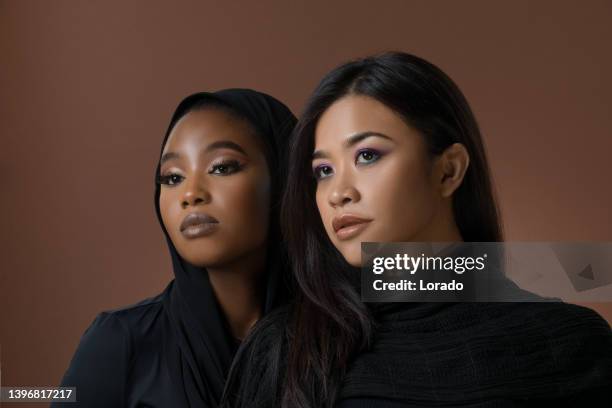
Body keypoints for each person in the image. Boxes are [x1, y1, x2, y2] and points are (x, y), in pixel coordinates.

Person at [220, 53, 612, 407]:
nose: (338, 192)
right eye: (323, 171)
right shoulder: (284, 348)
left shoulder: (569, 343)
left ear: (449, 170)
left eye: (367, 155)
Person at [53, 89, 296, 407]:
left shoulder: (348, 331)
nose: (189, 193)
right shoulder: (119, 341)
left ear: (286, 178)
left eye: (221, 167)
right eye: (172, 177)